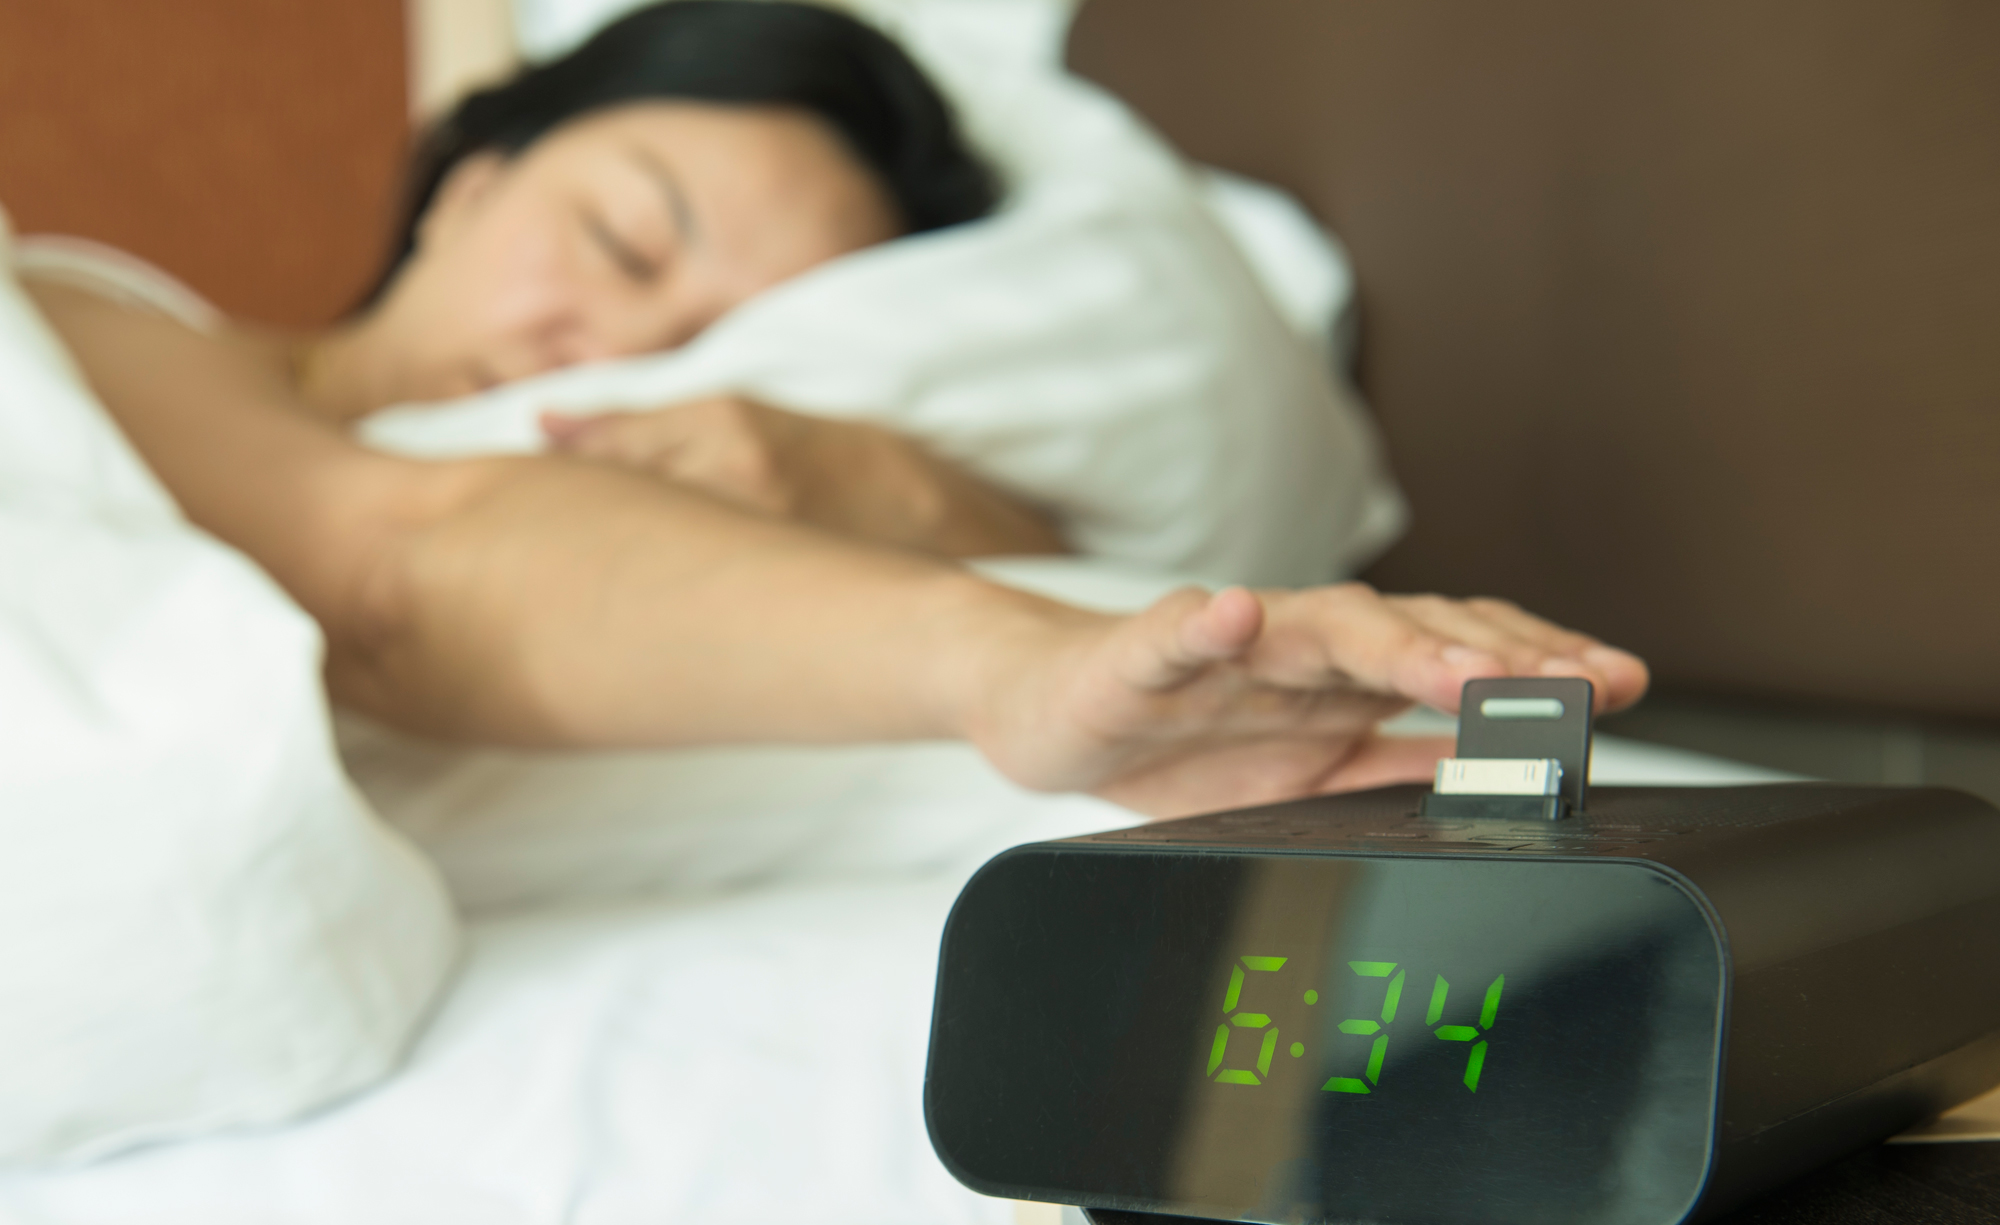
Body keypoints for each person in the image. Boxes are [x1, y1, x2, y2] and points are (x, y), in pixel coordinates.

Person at [20, 0, 1649, 817]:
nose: (616, 349)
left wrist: (917, 505)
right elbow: (396, 571)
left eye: (721, 337)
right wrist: (1009, 665)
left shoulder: (782, 473)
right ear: (473, 173)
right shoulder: (92, 324)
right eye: (624, 241)